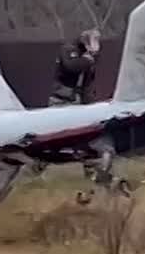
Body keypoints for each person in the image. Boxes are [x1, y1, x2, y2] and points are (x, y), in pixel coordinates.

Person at [48, 28, 129, 201]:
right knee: (66, 146)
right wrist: (89, 57)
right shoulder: (69, 50)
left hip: (80, 105)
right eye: (94, 41)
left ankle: (92, 188)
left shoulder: (90, 59)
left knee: (94, 147)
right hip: (62, 104)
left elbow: (86, 84)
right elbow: (72, 67)